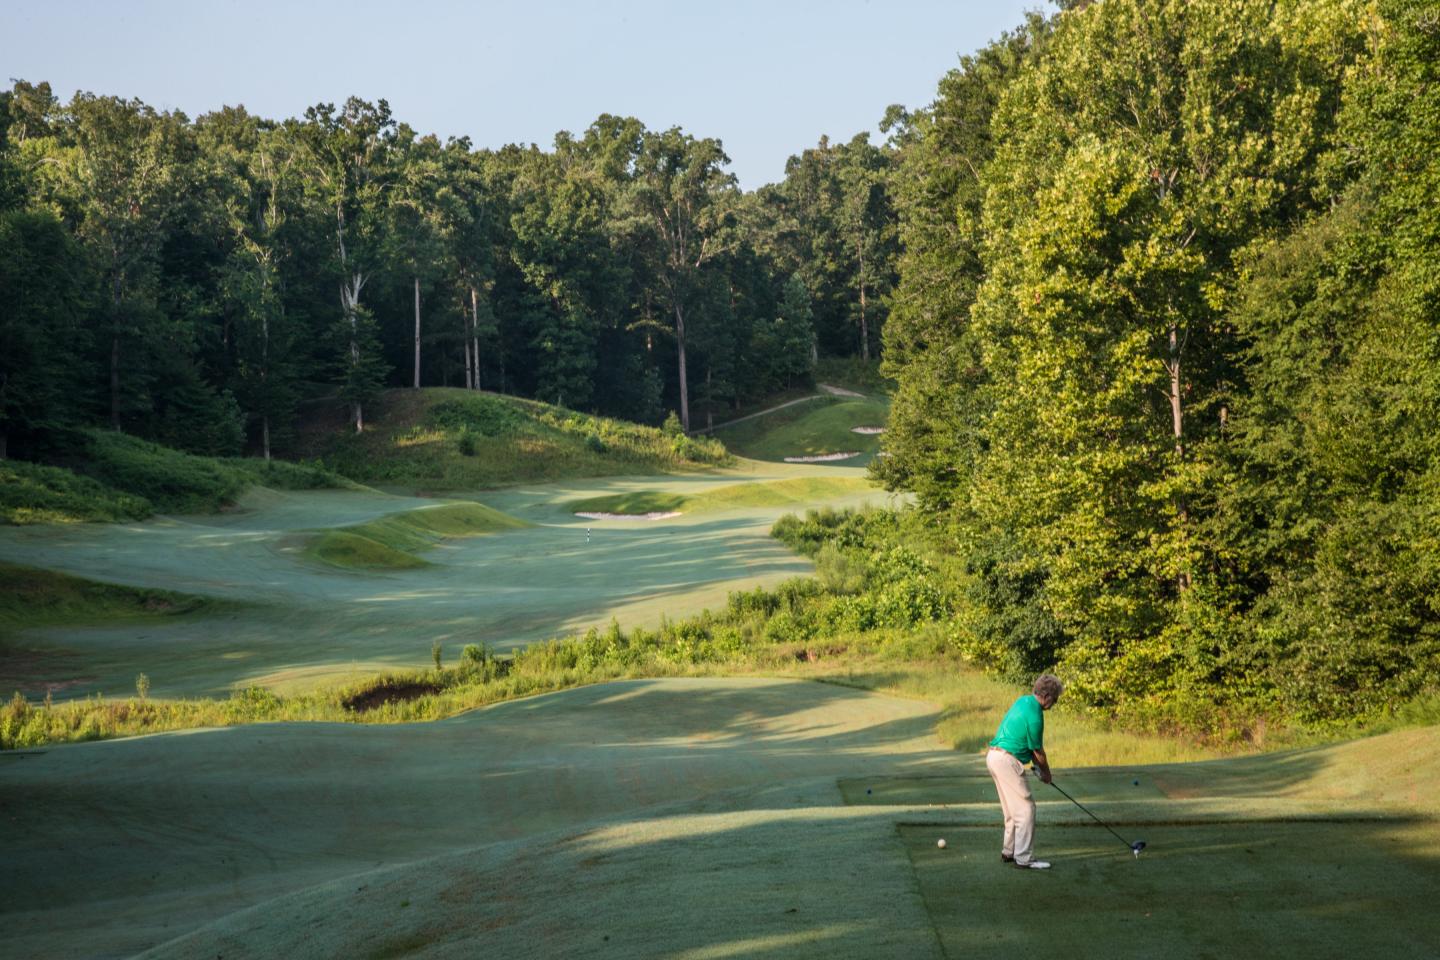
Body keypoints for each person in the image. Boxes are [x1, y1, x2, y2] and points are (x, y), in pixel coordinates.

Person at [985, 674, 1063, 870]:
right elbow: (1038, 752)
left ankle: (1009, 851)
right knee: (1026, 808)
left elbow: (1031, 749)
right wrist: (1047, 774)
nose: (1055, 703)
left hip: (994, 757)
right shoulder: (1036, 715)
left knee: (1012, 810)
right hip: (1006, 760)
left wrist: (1040, 769)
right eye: (1055, 698)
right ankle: (1024, 858)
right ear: (1046, 696)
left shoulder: (1023, 700)